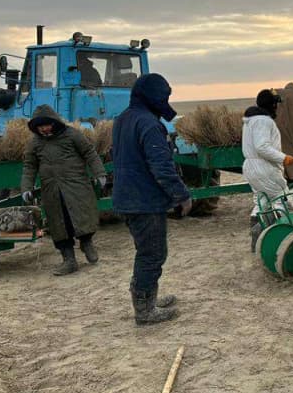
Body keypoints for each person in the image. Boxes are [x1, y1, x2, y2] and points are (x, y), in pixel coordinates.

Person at [112, 73, 192, 326]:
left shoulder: (123, 118)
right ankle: (145, 310)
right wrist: (182, 195)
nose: (166, 101)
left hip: (127, 197)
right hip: (144, 200)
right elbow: (162, 166)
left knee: (146, 252)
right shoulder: (148, 123)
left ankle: (148, 299)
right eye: (164, 96)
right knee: (152, 254)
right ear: (153, 96)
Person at [20, 105, 107, 275]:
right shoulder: (34, 143)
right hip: (52, 190)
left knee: (81, 216)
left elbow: (89, 152)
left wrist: (99, 172)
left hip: (76, 185)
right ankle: (69, 260)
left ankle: (87, 243)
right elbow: (29, 166)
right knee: (59, 224)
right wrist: (26, 187)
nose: (44, 129)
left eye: (47, 124)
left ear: (54, 122)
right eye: (40, 126)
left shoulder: (72, 134)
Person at [244, 89, 293, 250]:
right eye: (275, 104)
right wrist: (283, 158)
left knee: (262, 199)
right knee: (282, 197)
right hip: (263, 166)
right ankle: (278, 237)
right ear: (272, 105)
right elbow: (262, 147)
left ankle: (257, 233)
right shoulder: (263, 121)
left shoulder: (250, 120)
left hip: (251, 167)